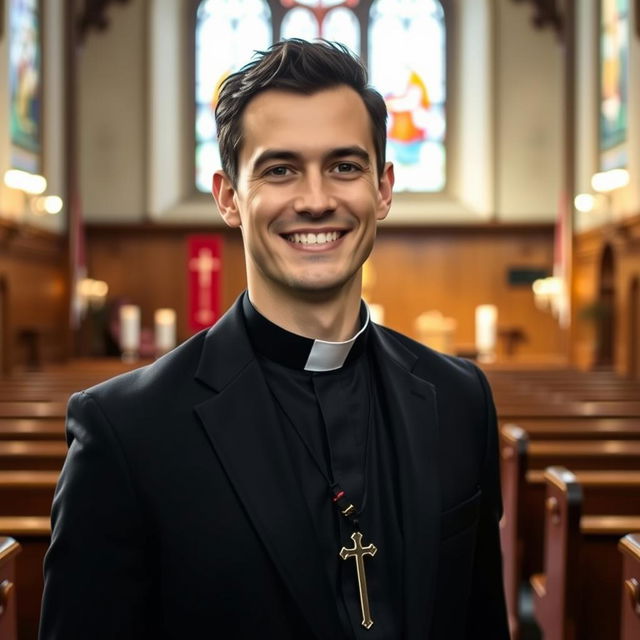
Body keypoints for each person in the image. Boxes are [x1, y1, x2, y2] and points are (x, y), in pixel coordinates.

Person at [39, 39, 509, 639]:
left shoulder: (460, 398)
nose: (316, 200)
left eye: (345, 166)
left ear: (383, 189)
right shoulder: (126, 430)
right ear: (229, 197)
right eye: (280, 169)